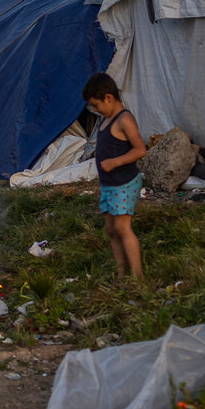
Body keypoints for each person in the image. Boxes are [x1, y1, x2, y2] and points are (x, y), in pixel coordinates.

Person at [82, 74, 148, 278]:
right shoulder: (106, 119)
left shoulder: (124, 119)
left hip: (124, 182)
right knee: (111, 229)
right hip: (109, 184)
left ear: (108, 98)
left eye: (96, 105)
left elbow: (140, 150)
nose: (95, 110)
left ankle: (138, 277)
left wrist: (115, 162)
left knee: (122, 227)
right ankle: (121, 273)